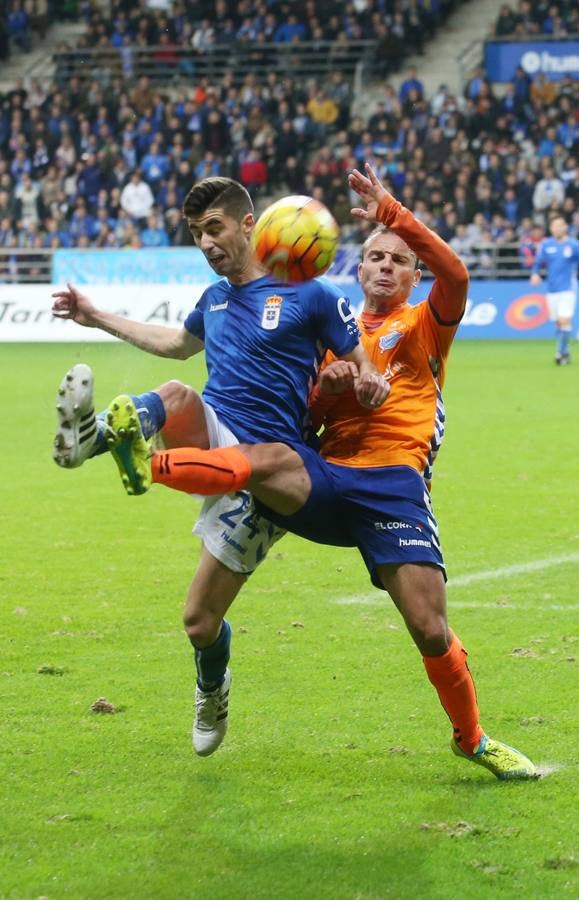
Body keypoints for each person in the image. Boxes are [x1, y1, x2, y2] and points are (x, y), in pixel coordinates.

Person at [108, 165, 537, 781]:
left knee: (429, 627)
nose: (387, 266)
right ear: (356, 271)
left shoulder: (424, 325)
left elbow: (459, 274)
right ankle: (150, 462)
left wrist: (394, 214)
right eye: (376, 259)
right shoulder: (329, 331)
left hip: (393, 486)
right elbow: (298, 419)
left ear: (415, 275)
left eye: (399, 260)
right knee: (270, 462)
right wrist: (324, 392)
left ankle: (471, 739)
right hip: (326, 476)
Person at [51, 176, 388, 757]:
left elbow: (364, 364)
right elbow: (175, 344)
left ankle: (213, 687)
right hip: (212, 430)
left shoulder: (308, 292)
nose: (206, 243)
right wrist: (94, 315)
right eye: (196, 234)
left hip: (265, 470)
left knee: (199, 623)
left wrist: (368, 382)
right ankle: (95, 437)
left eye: (214, 229)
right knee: (180, 392)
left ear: (248, 224)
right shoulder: (214, 301)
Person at [530, 214, 579, 365]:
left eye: (561, 225)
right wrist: (535, 274)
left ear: (565, 227)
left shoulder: (573, 245)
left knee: (565, 320)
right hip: (552, 290)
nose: (558, 228)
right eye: (555, 225)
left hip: (568, 289)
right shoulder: (546, 245)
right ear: (551, 228)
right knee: (558, 323)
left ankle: (560, 352)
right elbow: (538, 263)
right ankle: (565, 351)